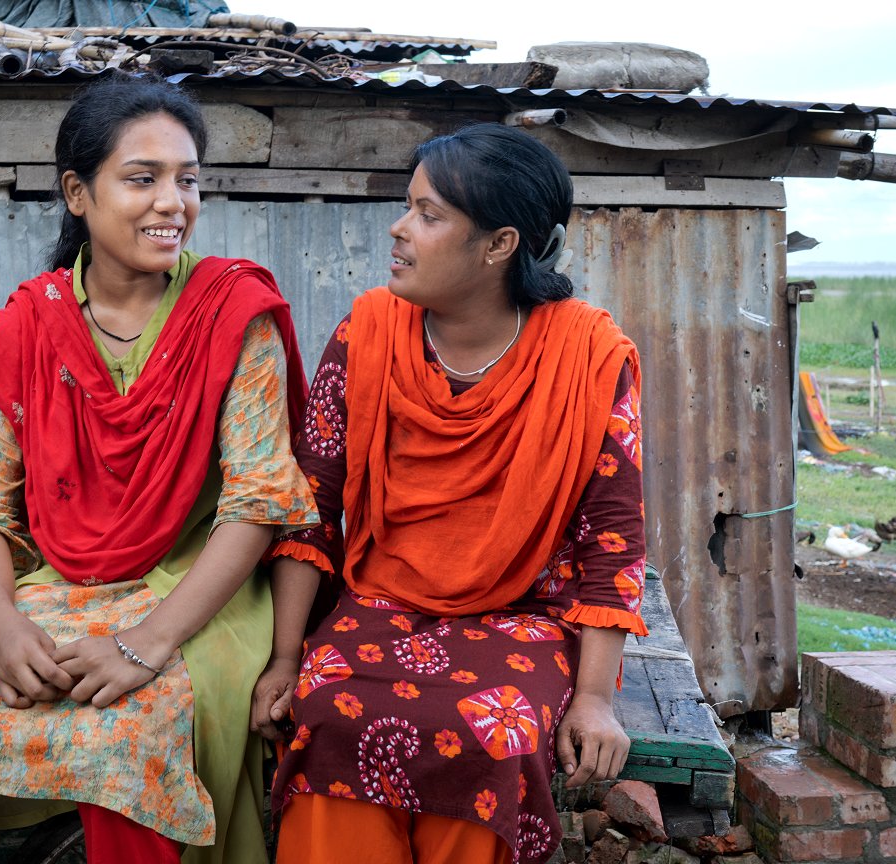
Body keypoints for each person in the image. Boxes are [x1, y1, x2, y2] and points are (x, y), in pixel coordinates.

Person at [0, 73, 316, 864]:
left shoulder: (232, 313)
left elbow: (256, 502)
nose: (173, 202)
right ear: (78, 192)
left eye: (188, 179)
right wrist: (1, 627)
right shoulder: (31, 323)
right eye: (142, 179)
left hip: (198, 590)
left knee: (129, 735)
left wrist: (147, 642)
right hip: (58, 583)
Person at [250, 123, 648, 864]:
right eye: (409, 208)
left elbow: (612, 541)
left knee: (489, 733)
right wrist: (283, 657)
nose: (400, 229)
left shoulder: (588, 356)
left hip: (525, 616)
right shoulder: (367, 333)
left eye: (429, 215)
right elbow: (312, 504)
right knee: (328, 713)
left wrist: (594, 696)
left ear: (498, 245)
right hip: (382, 601)